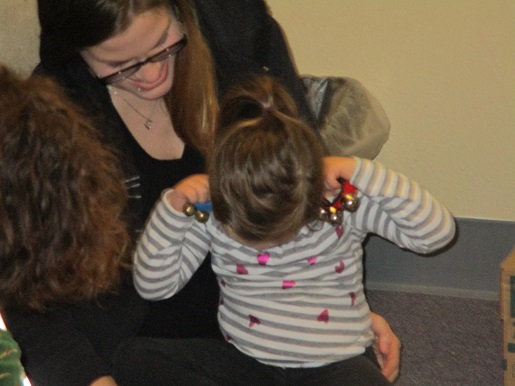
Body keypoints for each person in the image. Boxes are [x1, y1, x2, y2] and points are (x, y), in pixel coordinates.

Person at [2, 1, 399, 385]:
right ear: (77, 54)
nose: (152, 73)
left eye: (163, 44)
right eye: (119, 66)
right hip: (150, 351)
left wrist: (345, 312)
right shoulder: (52, 116)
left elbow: (311, 207)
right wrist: (86, 378)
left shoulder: (244, 54)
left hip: (278, 325)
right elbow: (29, 285)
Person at [120, 75, 456, 385]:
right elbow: (155, 286)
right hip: (248, 363)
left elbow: (435, 234)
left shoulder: (341, 205)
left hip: (336, 364)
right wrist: (174, 206)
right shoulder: (214, 211)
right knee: (134, 360)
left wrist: (360, 170)